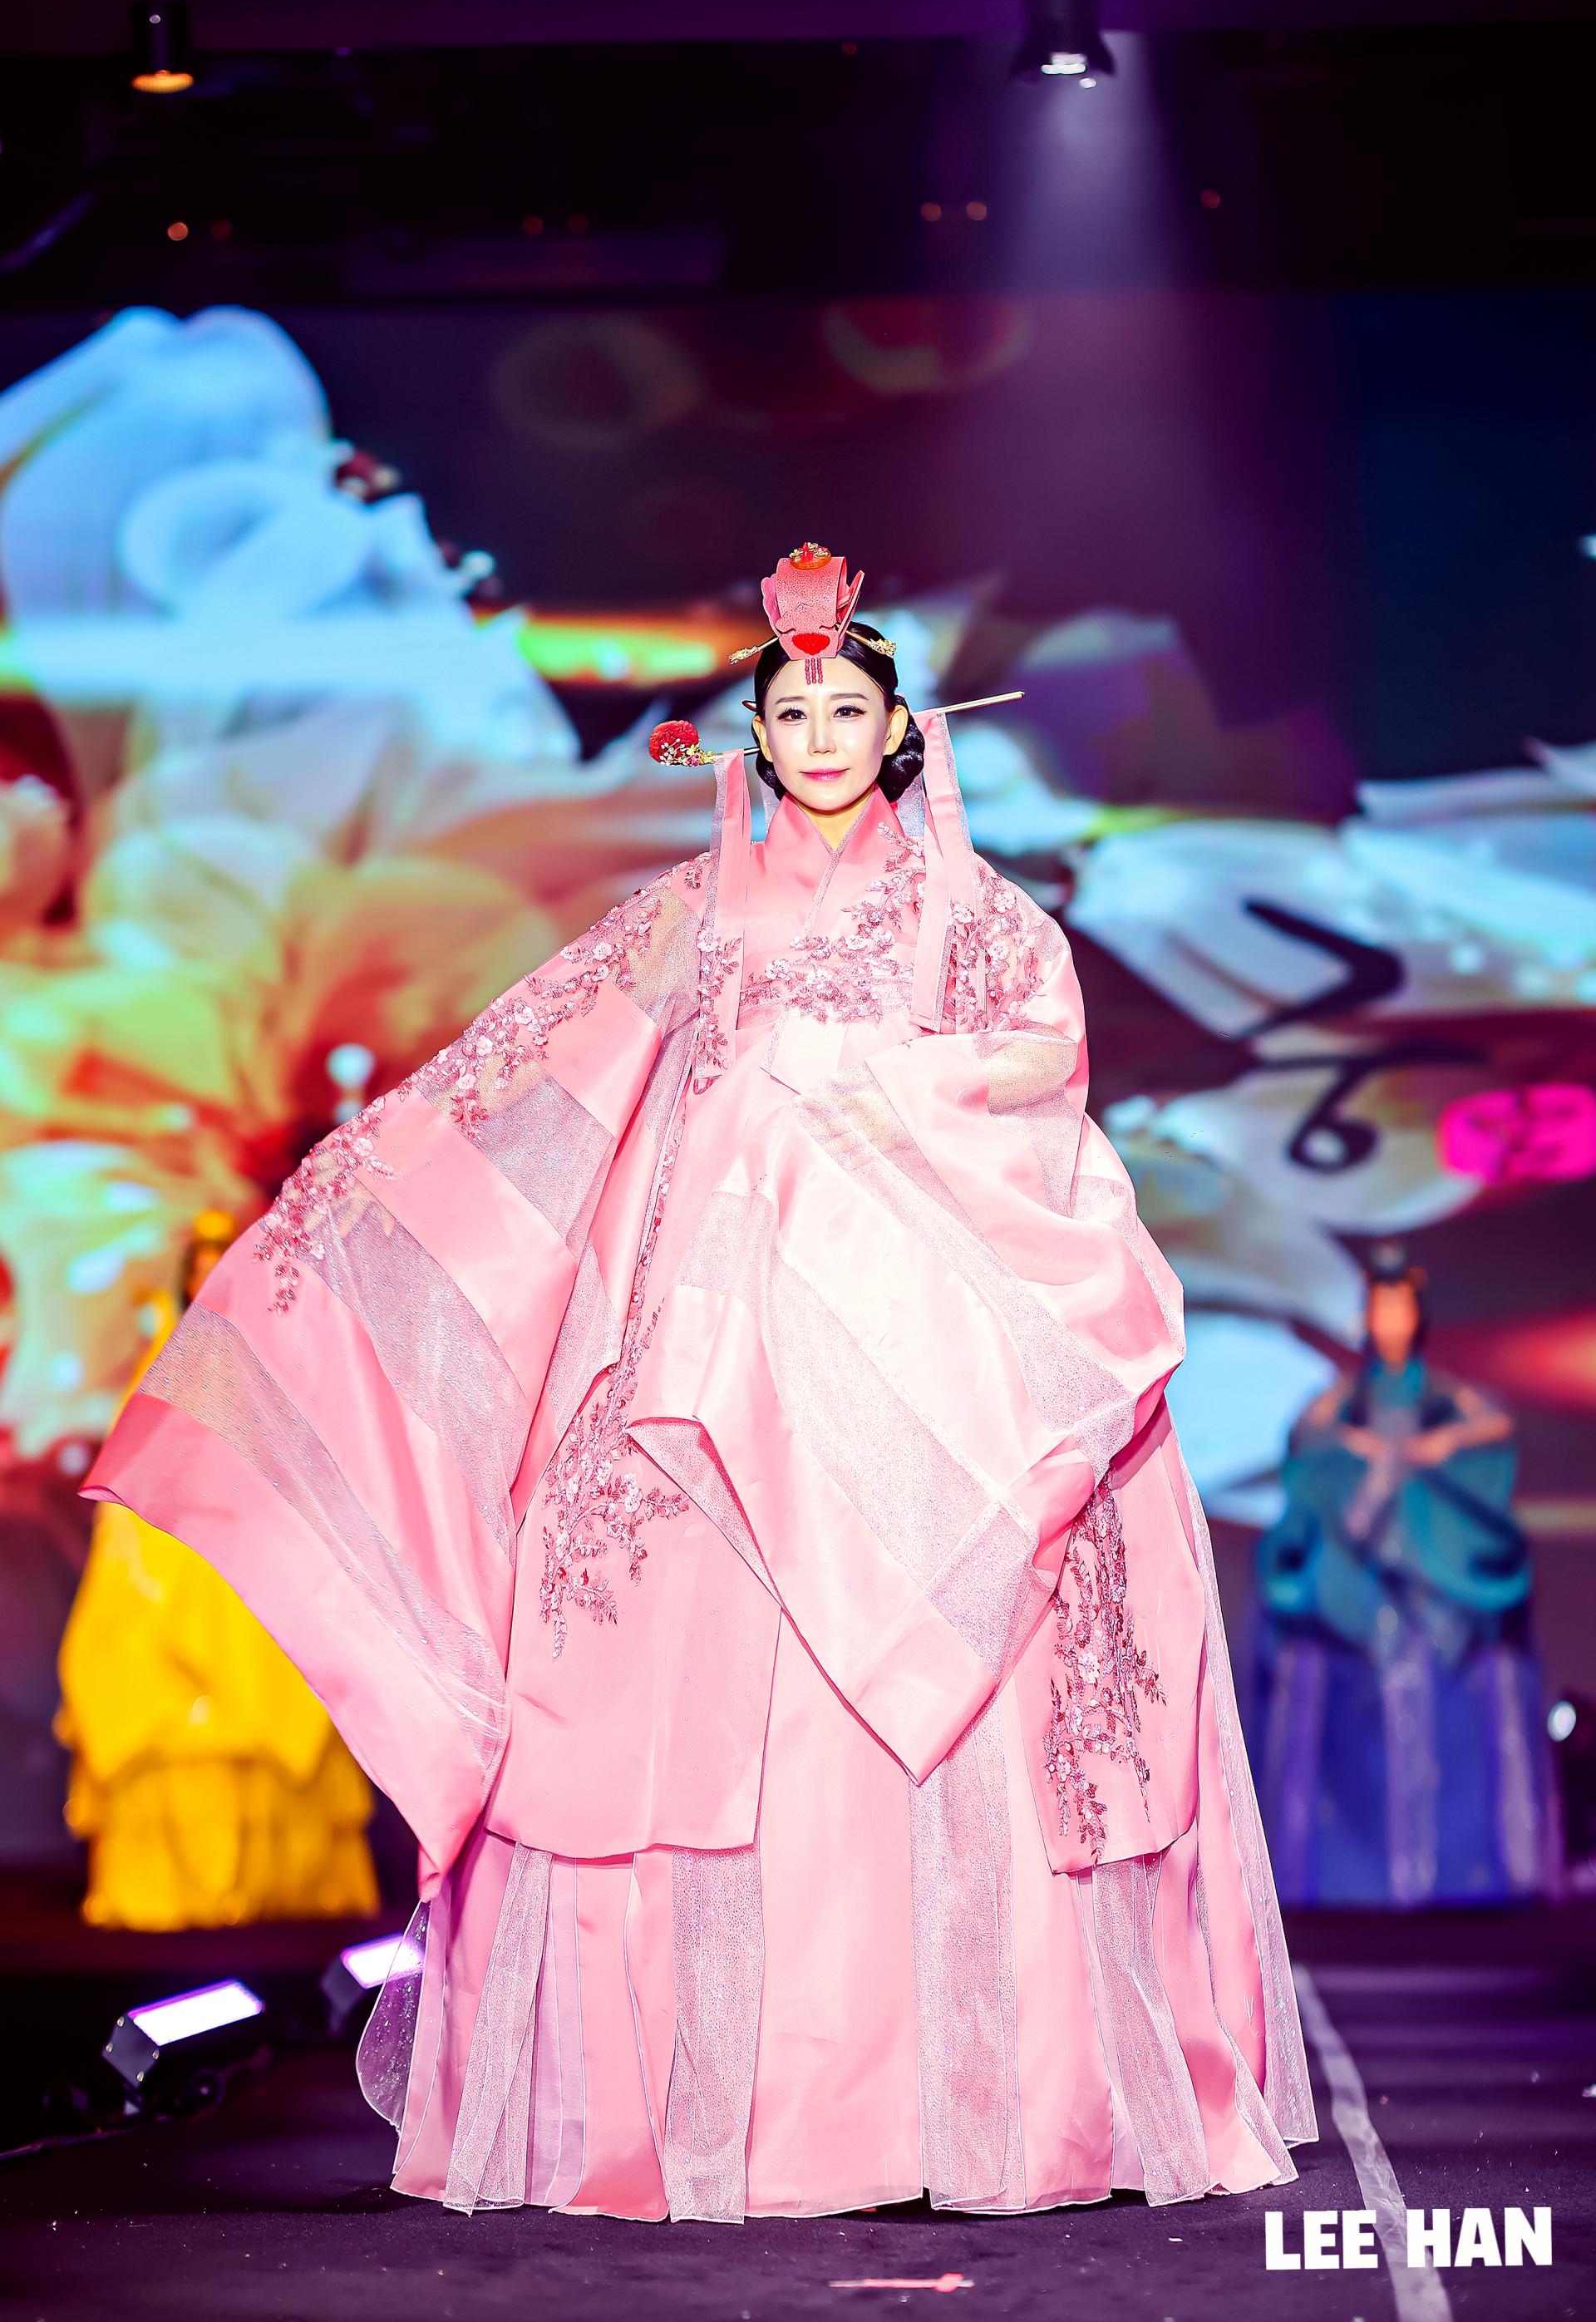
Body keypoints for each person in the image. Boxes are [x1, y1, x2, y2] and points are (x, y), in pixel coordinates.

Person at [87, 544, 1313, 2218]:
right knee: (678, 1707)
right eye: (790, 711)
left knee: (979, 1687)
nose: (818, 735)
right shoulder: (691, 913)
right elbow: (536, 1072)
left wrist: (858, 1100)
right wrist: (362, 1196)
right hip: (709, 1373)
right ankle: (731, 2115)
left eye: (846, 709)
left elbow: (1042, 1081)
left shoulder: (982, 920)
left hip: (934, 1363)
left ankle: (977, 2107)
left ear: (900, 730)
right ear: (757, 732)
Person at [57, 1209, 379, 1930]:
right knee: (152, 1681)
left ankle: (277, 1881)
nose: (208, 1277)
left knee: (269, 1686)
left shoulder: (279, 1367)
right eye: (198, 1265)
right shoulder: (161, 1367)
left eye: (219, 1262)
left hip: (252, 1550)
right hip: (166, 1555)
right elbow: (131, 1472)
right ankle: (177, 1885)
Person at [1254, 1243, 1560, 1907]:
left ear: (1416, 1314)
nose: (1390, 1319)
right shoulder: (1344, 1399)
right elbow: (1310, 1439)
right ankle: (1352, 1879)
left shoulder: (1445, 1395)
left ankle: (1457, 1875)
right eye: (1380, 1306)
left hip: (1432, 1582)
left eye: (1400, 1306)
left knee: (1449, 1725)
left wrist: (1435, 1447)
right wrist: (1363, 1451)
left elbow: (1492, 1426)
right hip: (1361, 1584)